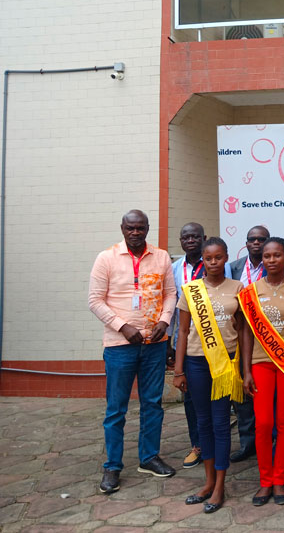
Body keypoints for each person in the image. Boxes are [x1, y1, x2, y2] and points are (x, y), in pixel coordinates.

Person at [88, 210, 177, 494]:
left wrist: (165, 320)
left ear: (148, 229)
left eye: (140, 228)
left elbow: (171, 294)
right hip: (120, 346)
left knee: (153, 403)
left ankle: (149, 457)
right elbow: (95, 300)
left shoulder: (161, 257)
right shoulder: (107, 258)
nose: (135, 232)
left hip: (154, 344)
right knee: (117, 409)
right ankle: (113, 466)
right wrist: (122, 326)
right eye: (130, 228)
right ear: (123, 228)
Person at [172, 237, 245, 513]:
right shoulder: (190, 290)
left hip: (224, 365)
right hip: (196, 363)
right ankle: (208, 481)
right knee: (203, 423)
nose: (213, 262)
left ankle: (220, 486)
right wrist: (178, 370)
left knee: (221, 423)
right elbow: (181, 331)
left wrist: (243, 367)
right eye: (208, 258)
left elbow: (243, 330)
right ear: (202, 259)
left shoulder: (238, 288)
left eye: (218, 257)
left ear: (226, 257)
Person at [240, 237, 284, 507]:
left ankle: (279, 480)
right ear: (262, 259)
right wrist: (246, 371)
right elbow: (245, 333)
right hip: (260, 361)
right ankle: (264, 481)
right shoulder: (250, 291)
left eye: (277, 255)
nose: (271, 260)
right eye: (267, 256)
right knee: (264, 423)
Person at [227, 225, 270, 463]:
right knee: (243, 393)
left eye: (261, 239)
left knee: (268, 393)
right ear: (246, 243)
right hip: (240, 337)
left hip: (270, 339)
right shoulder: (233, 268)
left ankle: (270, 439)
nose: (256, 243)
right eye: (252, 239)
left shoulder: (275, 264)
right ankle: (247, 442)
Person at [171, 222, 206, 470]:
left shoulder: (216, 265)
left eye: (195, 236)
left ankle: (221, 444)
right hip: (185, 342)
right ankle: (198, 445)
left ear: (204, 238)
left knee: (221, 401)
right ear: (181, 241)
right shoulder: (173, 269)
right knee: (191, 400)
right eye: (186, 237)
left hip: (217, 343)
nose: (191, 240)